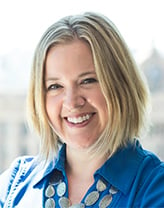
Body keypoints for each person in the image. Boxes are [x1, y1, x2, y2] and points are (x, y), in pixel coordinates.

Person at [0, 12, 164, 208]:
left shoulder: (155, 188)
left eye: (88, 81)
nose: (71, 102)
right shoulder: (14, 184)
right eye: (55, 86)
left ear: (121, 86)